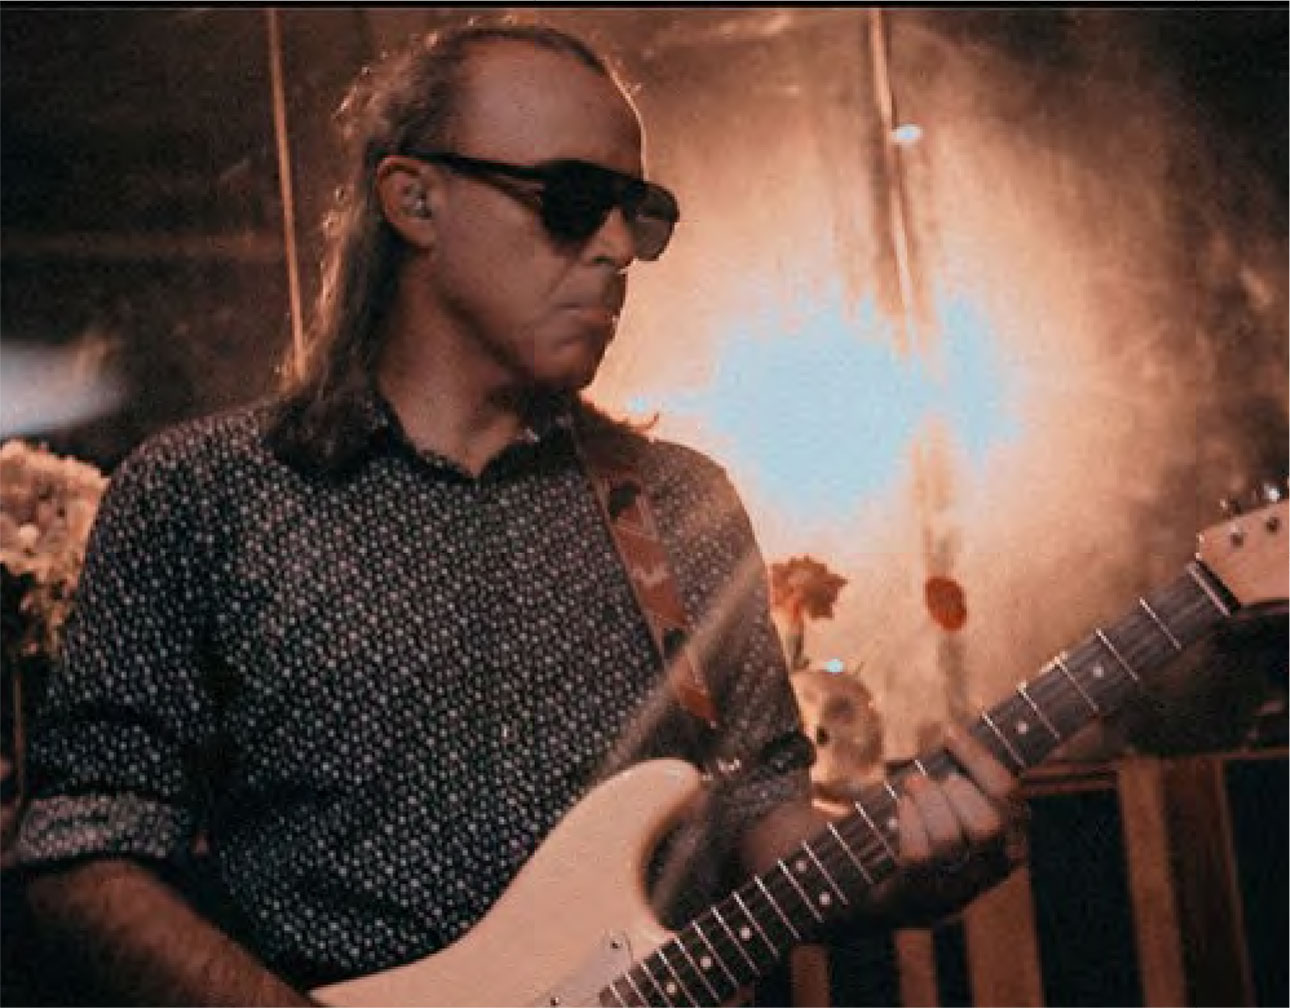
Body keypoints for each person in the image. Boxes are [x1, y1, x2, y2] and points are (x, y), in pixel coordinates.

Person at [13, 21, 1021, 1006]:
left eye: (639, 214)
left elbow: (761, 815)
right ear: (414, 199)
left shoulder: (680, 506)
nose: (618, 248)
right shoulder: (205, 493)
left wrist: (907, 867)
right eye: (572, 202)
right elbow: (82, 854)